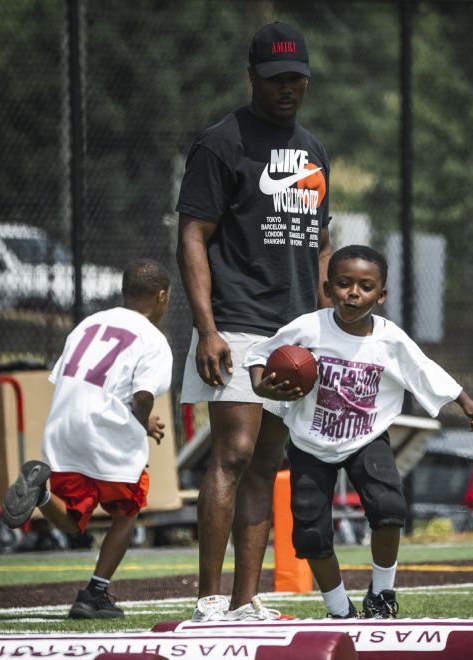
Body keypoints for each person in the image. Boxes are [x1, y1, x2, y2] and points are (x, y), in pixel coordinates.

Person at [175, 21, 333, 621]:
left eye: (296, 78)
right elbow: (193, 233)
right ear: (252, 77)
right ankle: (209, 600)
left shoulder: (314, 151)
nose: (287, 88)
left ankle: (246, 602)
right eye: (275, 78)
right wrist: (207, 327)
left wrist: (324, 322)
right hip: (237, 319)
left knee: (268, 462)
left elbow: (319, 245)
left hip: (295, 331)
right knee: (233, 453)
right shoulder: (221, 144)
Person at [245, 245, 473, 619]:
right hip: (310, 442)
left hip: (366, 437)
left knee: (390, 509)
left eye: (365, 286)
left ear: (381, 295)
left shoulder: (390, 339)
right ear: (328, 288)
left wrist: (463, 399)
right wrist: (262, 387)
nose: (353, 293)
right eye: (343, 284)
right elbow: (259, 355)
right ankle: (339, 610)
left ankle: (382, 593)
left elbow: (423, 369)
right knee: (311, 533)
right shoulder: (308, 328)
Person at [0, 258, 173, 620]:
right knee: (128, 509)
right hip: (106, 430)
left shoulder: (88, 324)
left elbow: (66, 379)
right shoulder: (154, 339)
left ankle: (42, 492)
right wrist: (140, 425)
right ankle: (96, 592)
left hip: (64, 427)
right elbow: (142, 397)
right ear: (161, 296)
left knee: (72, 519)